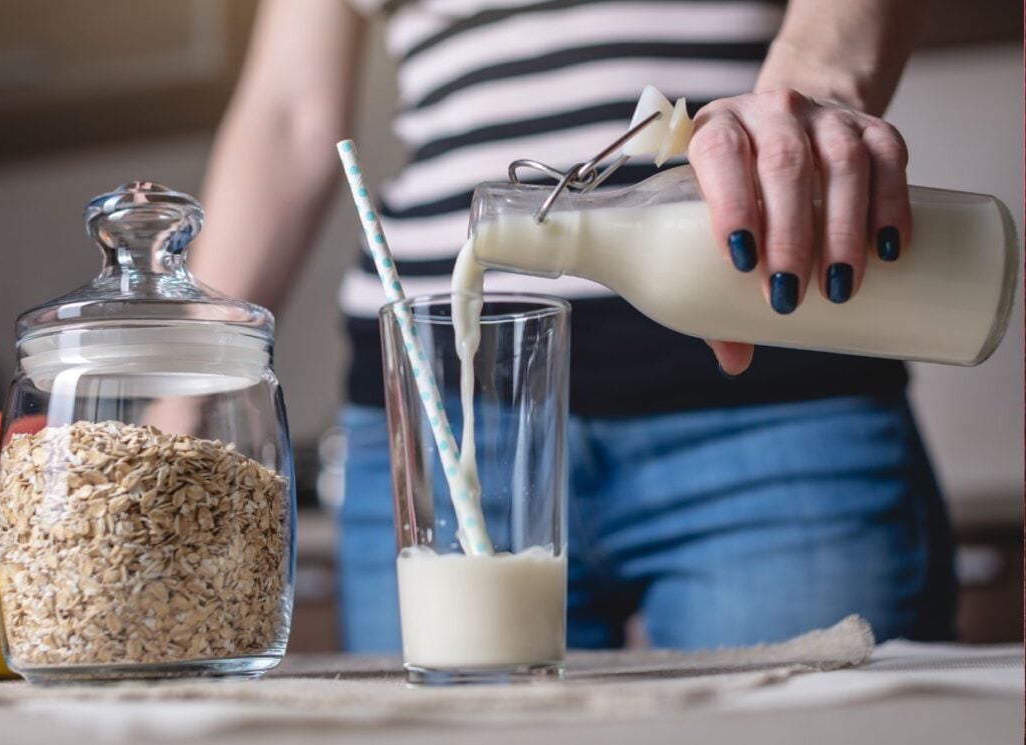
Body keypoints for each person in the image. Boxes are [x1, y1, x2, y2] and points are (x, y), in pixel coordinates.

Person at [192, 0, 956, 651]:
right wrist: (178, 397)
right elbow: (288, 113)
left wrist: (814, 90)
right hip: (442, 420)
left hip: (769, 374)